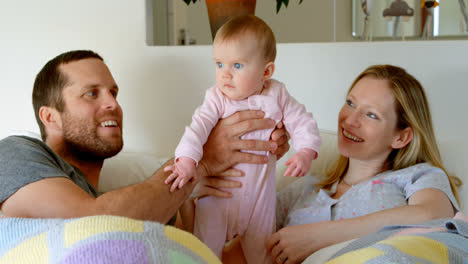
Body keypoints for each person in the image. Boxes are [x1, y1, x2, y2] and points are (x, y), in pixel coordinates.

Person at [0, 50, 290, 224]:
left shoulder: (132, 205)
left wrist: (261, 137)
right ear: (51, 117)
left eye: (113, 92)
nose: (112, 103)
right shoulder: (15, 152)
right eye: (92, 93)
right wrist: (198, 161)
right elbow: (90, 220)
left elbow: (201, 250)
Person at [265, 64, 461, 264]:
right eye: (350, 103)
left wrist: (319, 236)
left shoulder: (418, 176)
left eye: (371, 115)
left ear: (401, 137)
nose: (350, 120)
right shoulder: (303, 189)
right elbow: (242, 239)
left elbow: (432, 215)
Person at [166, 15, 321, 263]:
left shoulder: (277, 94)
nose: (225, 75)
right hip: (218, 198)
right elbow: (196, 128)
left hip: (260, 199)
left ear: (266, 71)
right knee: (205, 252)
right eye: (219, 64)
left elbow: (302, 121)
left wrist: (304, 151)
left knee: (263, 254)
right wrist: (186, 160)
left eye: (237, 66)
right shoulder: (217, 98)